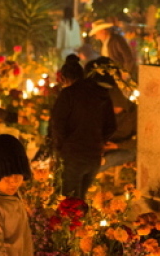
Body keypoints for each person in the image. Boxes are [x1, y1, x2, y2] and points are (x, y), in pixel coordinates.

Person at [49, 58, 116, 201]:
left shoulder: (68, 94)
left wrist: (61, 147)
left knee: (68, 202)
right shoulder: (101, 94)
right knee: (81, 201)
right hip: (93, 156)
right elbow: (111, 125)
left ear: (63, 78)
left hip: (72, 154)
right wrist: (99, 141)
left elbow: (57, 124)